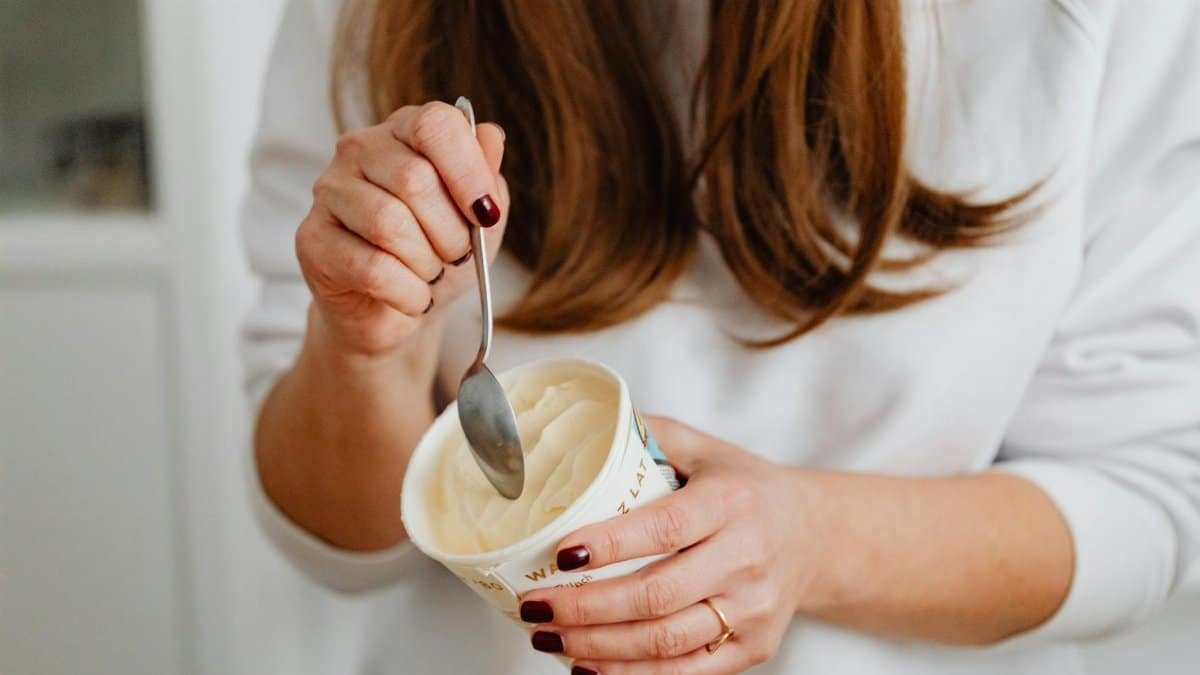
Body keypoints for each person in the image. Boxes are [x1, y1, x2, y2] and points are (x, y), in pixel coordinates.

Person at [241, 1, 1200, 673]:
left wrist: (812, 543)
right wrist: (366, 349)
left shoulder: (1090, 25)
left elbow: (1147, 491)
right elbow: (335, 545)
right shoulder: (377, 16)